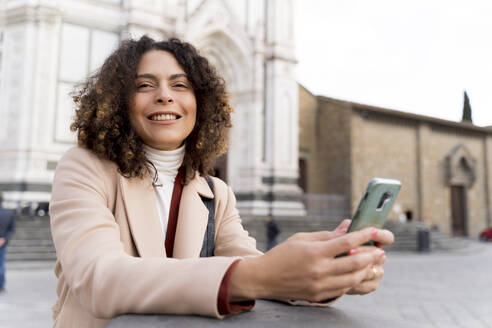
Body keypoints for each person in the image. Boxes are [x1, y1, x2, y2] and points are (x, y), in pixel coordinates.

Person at [49, 36, 394, 328]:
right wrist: (255, 276)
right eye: (144, 85)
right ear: (119, 103)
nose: (165, 95)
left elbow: (257, 267)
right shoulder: (84, 169)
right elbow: (99, 279)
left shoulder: (215, 192)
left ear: (201, 103)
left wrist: (329, 272)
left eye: (181, 85)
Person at [0, 192, 16, 293]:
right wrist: (3, 239)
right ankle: (1, 284)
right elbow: (11, 229)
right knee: (1, 263)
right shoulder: (9, 213)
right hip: (3, 242)